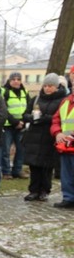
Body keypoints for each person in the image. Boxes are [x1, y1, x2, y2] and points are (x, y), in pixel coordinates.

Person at [22, 73, 67, 202]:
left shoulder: (62, 100)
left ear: (56, 86)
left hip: (49, 137)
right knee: (34, 166)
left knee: (46, 166)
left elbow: (59, 118)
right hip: (34, 136)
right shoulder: (36, 99)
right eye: (46, 86)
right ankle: (33, 190)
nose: (47, 88)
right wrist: (32, 117)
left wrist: (44, 118)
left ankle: (44, 190)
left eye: (50, 86)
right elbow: (25, 114)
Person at [1, 72, 30, 180]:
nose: (16, 81)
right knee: (5, 150)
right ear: (9, 80)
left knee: (21, 149)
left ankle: (17, 170)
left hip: (21, 125)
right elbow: (3, 109)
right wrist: (15, 122)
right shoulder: (4, 91)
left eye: (18, 79)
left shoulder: (24, 92)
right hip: (8, 125)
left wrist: (22, 121)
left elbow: (29, 107)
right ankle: (6, 172)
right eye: (13, 79)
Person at [51, 75, 74, 208]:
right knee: (66, 174)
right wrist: (57, 133)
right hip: (65, 145)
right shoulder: (65, 101)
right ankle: (68, 197)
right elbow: (56, 120)